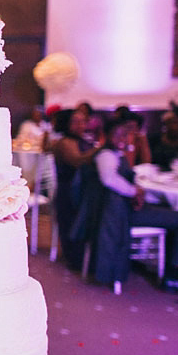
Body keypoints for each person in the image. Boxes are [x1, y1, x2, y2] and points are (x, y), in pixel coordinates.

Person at [92, 116, 178, 296]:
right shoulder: (106, 155)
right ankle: (174, 276)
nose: (122, 139)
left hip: (124, 210)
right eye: (118, 135)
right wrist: (134, 192)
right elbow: (109, 179)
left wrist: (137, 192)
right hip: (121, 216)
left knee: (174, 214)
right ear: (106, 135)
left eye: (125, 136)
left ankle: (172, 271)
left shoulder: (116, 153)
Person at [52, 108, 104, 271]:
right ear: (66, 124)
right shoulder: (64, 143)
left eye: (83, 121)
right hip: (69, 193)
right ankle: (77, 259)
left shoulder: (80, 140)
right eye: (76, 121)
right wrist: (101, 147)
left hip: (81, 190)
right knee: (74, 225)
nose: (81, 125)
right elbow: (77, 161)